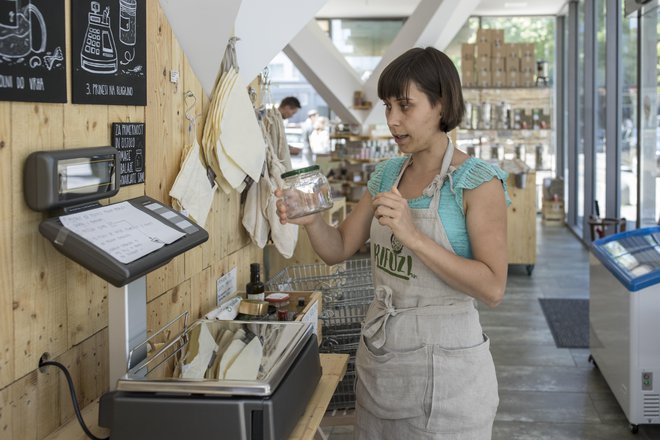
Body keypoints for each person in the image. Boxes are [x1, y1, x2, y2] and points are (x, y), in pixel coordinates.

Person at [276, 46, 510, 439]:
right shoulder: (387, 174)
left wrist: (414, 236)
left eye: (405, 106)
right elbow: (337, 249)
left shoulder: (477, 182)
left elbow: (493, 288)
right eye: (388, 107)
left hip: (451, 377)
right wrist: (312, 221)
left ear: (442, 105)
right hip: (383, 362)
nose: (393, 120)